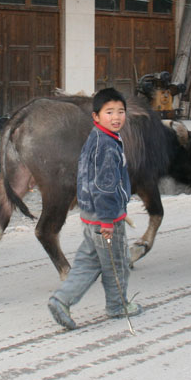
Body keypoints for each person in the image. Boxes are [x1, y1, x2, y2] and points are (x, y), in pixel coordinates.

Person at [47, 87, 141, 331]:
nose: (116, 117)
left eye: (121, 111)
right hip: (105, 218)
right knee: (116, 262)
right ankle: (118, 306)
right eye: (109, 112)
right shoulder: (107, 146)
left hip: (90, 216)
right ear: (96, 117)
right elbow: (105, 185)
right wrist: (108, 220)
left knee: (88, 262)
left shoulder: (98, 137)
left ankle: (61, 300)